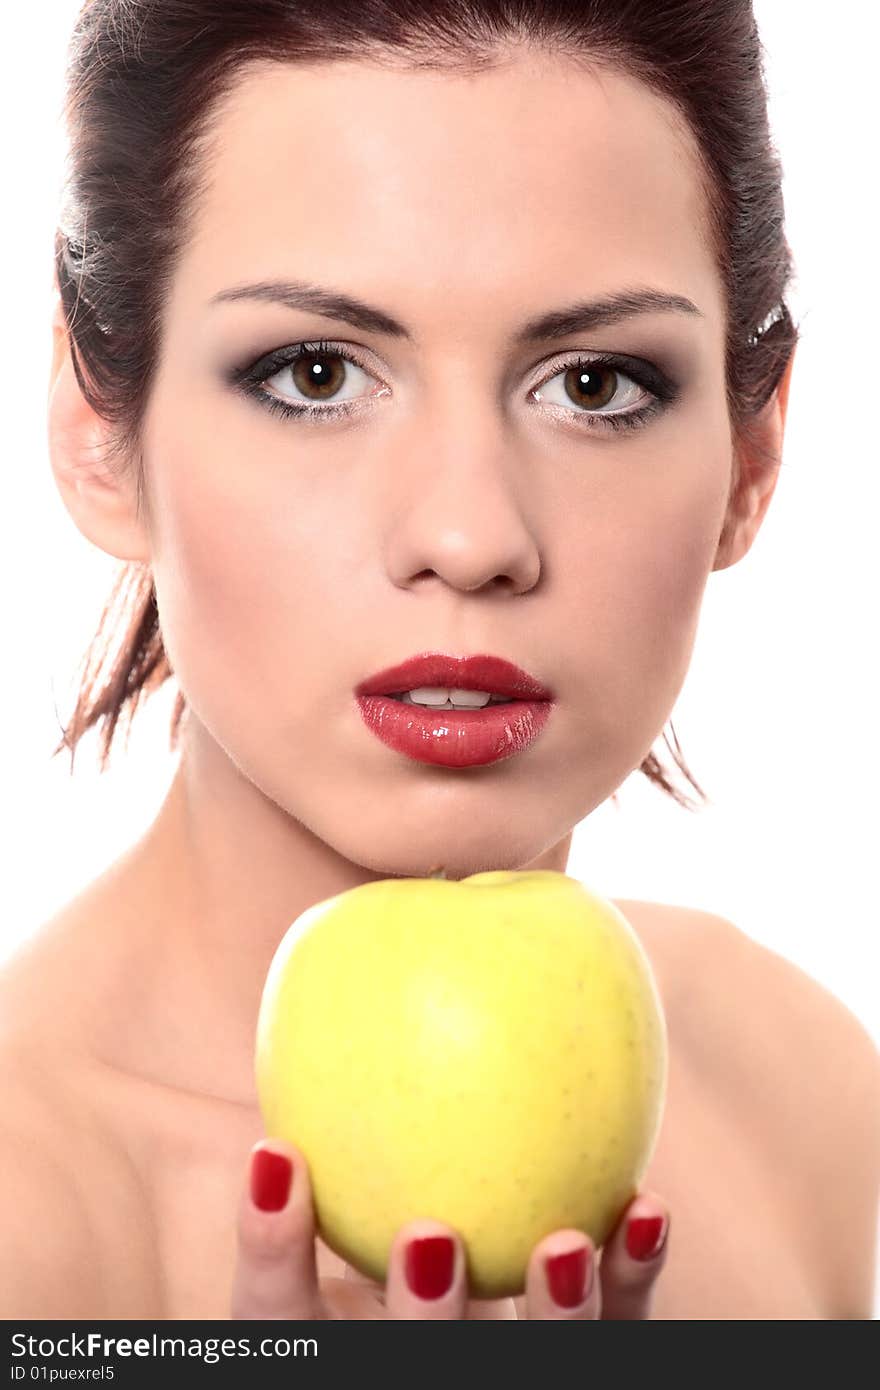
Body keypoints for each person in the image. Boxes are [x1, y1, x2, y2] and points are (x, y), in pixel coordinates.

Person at [1, 0, 877, 1321]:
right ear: (92, 427)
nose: (470, 536)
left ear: (753, 458)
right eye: (313, 373)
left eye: (594, 385)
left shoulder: (802, 1087)